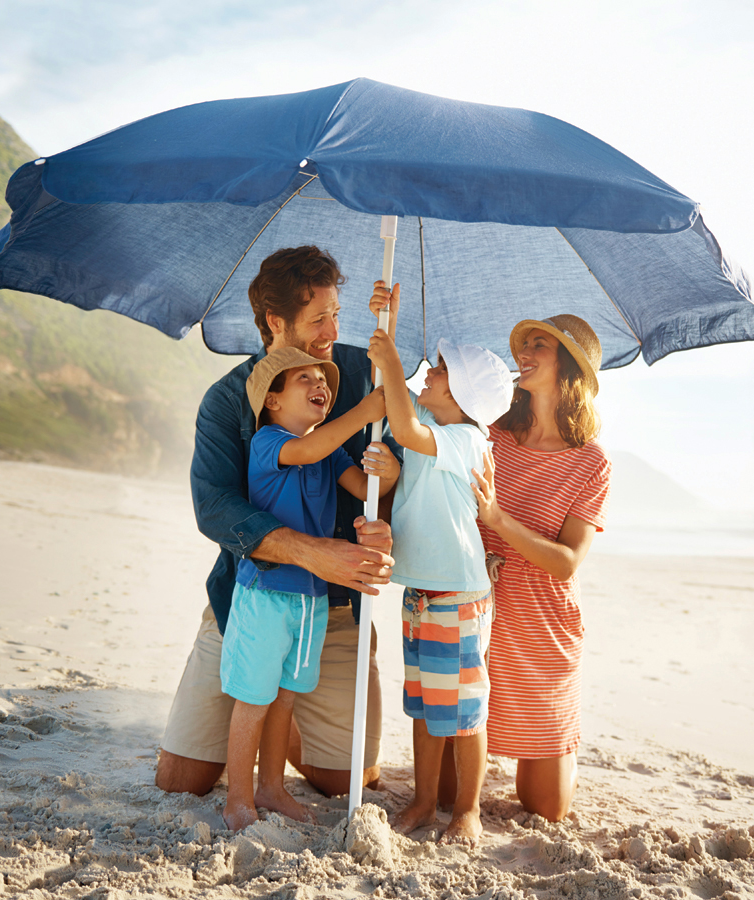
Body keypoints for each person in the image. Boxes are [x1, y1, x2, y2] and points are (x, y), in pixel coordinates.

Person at [157, 246, 401, 801]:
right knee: (180, 782)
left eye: (338, 314)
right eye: (319, 319)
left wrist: (385, 518)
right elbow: (215, 507)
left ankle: (282, 724)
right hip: (252, 598)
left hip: (332, 607)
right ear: (274, 322)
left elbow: (389, 478)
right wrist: (312, 552)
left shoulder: (363, 374)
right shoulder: (227, 401)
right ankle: (260, 705)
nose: (332, 331)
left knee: (345, 782)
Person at [221, 347, 400, 830]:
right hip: (266, 595)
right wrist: (363, 413)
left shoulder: (332, 450)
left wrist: (388, 471)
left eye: (323, 377)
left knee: (286, 696)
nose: (320, 382)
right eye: (305, 378)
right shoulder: (267, 441)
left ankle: (272, 788)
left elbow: (367, 488)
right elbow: (306, 451)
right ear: (273, 401)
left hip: (312, 598)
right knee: (255, 698)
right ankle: (238, 796)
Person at [366, 319, 513, 847]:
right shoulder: (431, 417)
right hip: (422, 592)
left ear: (464, 394)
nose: (431, 373)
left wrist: (395, 362)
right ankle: (424, 801)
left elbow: (405, 428)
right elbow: (394, 401)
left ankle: (466, 809)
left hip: (457, 593)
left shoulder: (468, 439)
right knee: (426, 706)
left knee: (465, 713)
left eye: (443, 370)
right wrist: (390, 320)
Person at [468, 314, 611, 822]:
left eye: (538, 345)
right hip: (475, 610)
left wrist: (497, 519)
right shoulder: (492, 433)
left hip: (541, 624)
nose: (523, 353)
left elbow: (568, 562)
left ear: (568, 366)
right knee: (448, 793)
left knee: (545, 808)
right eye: (523, 344)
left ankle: (562, 745)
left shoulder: (591, 462)